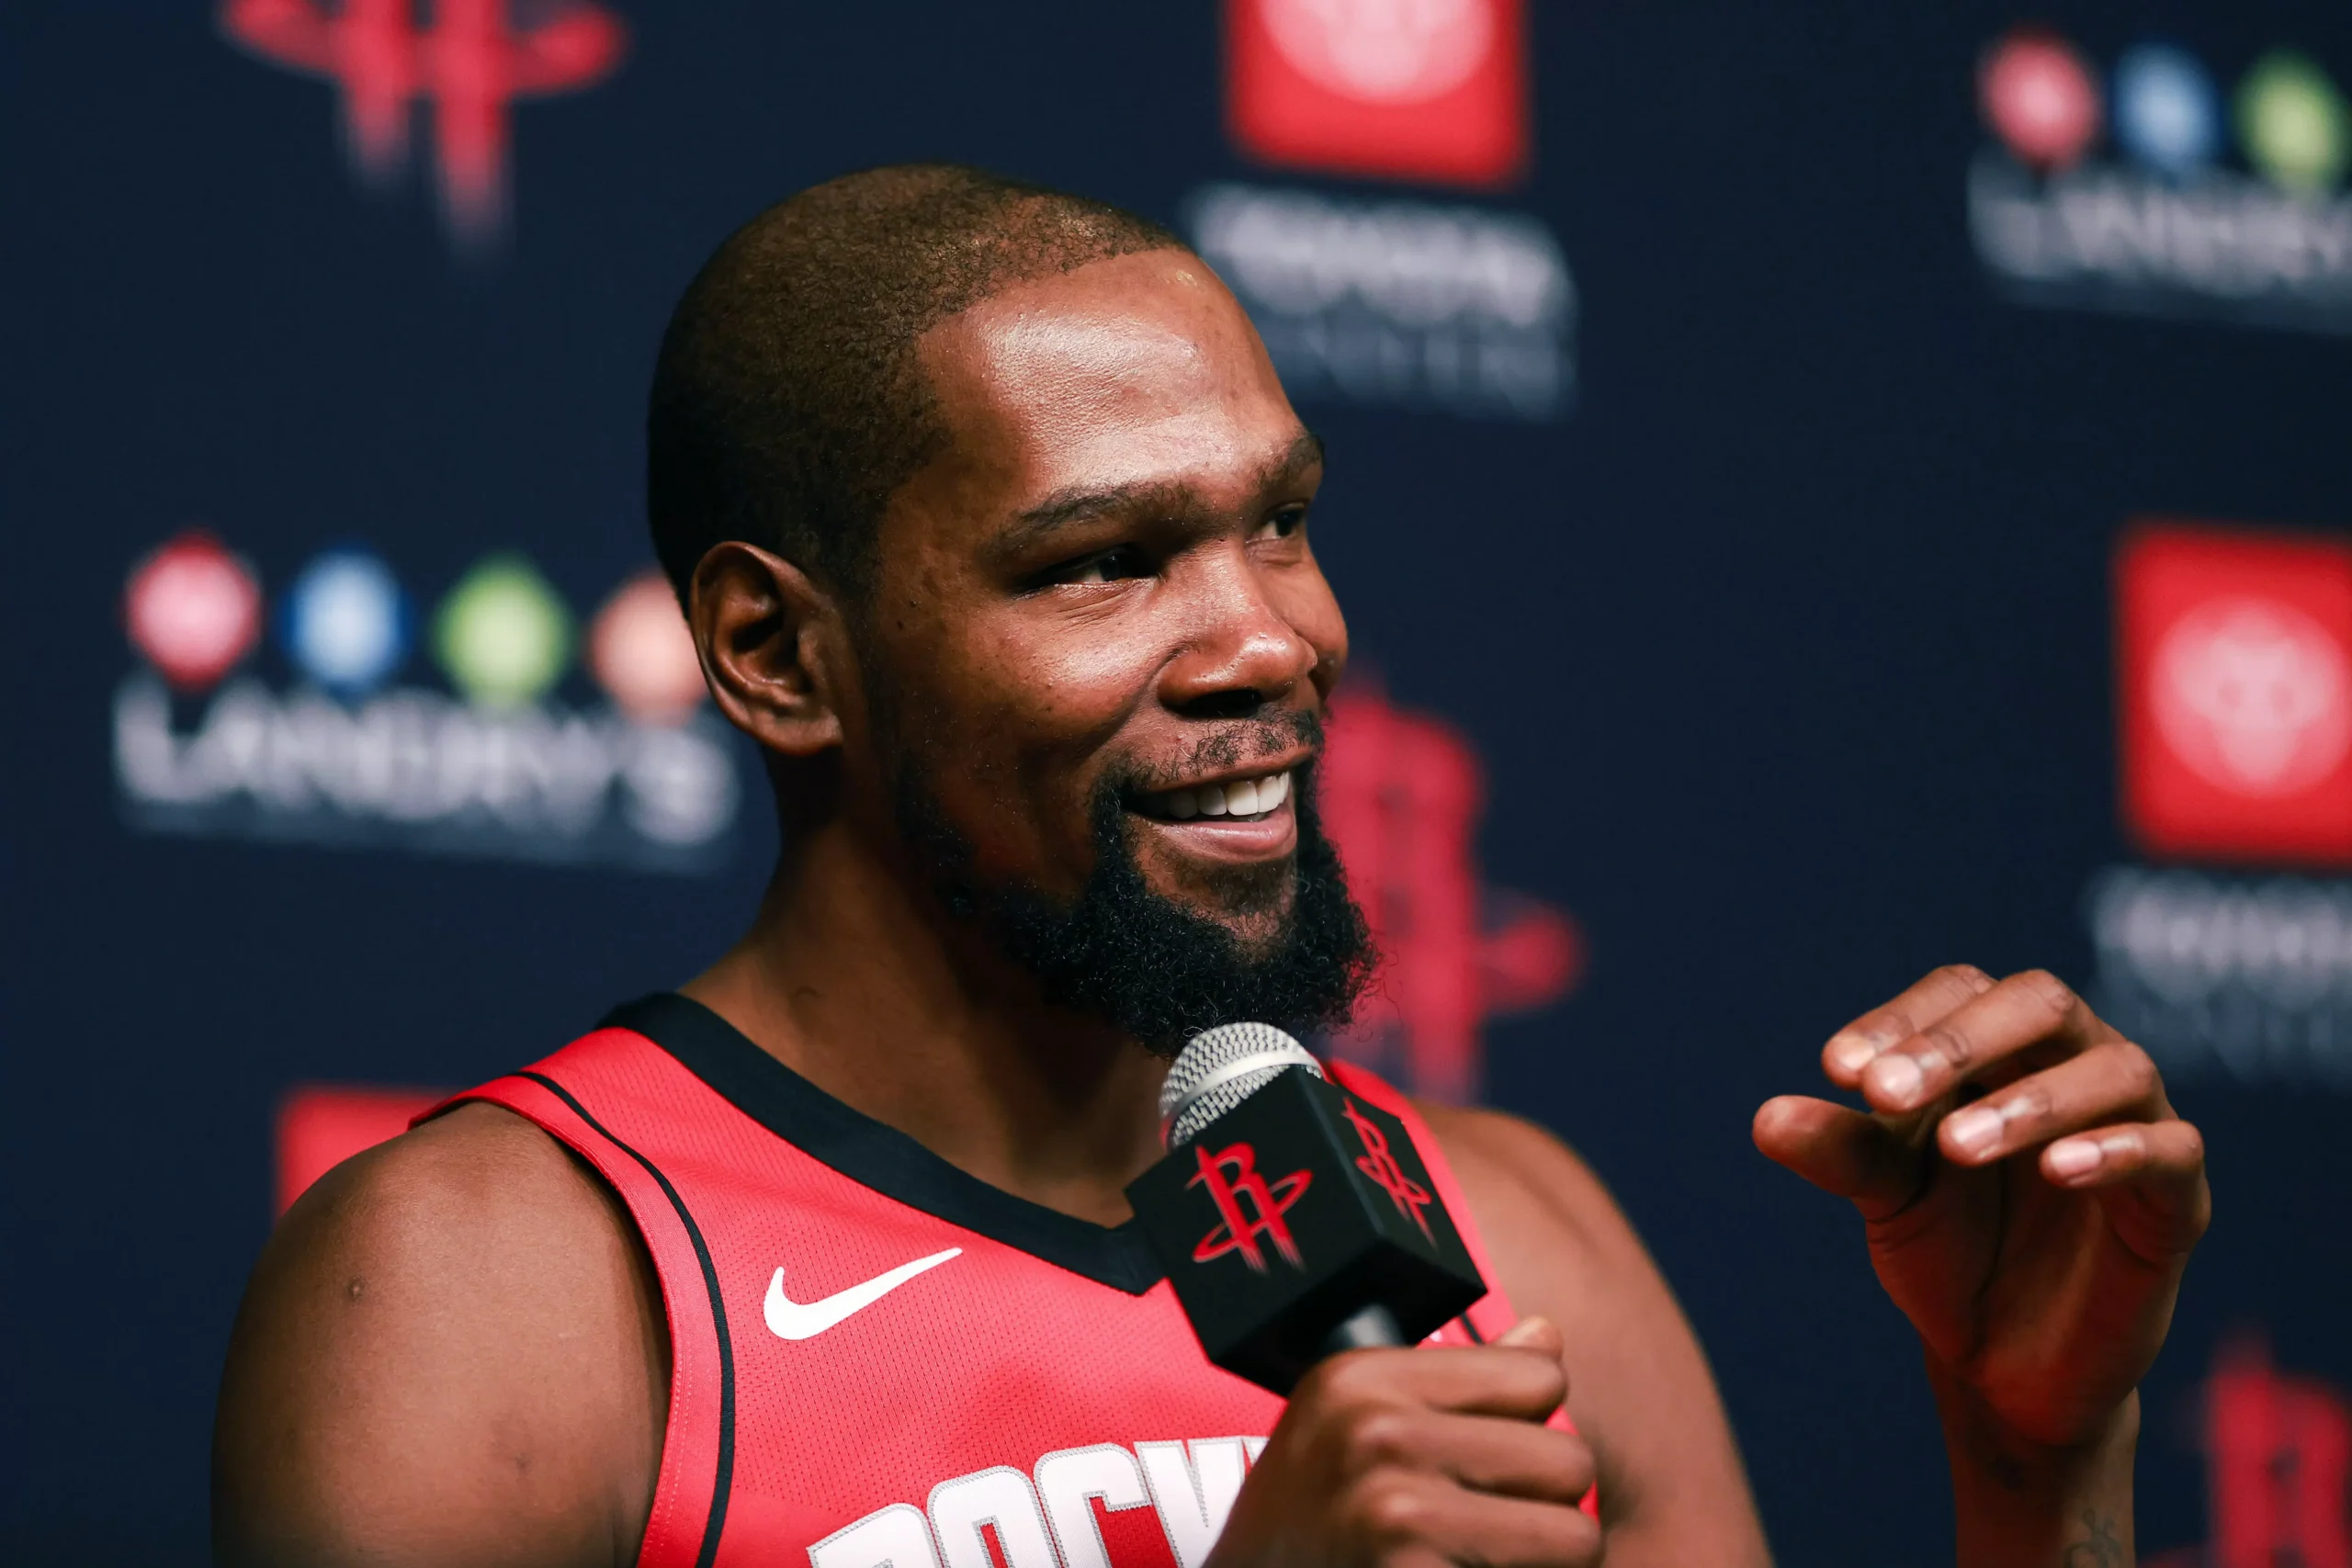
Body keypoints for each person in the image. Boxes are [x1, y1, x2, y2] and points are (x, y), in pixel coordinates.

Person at [212, 164, 2211, 1568]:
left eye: (1279, 523)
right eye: (1104, 561)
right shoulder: (494, 1288)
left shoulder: (1515, 1242)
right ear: (775, 654)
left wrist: (2033, 1466)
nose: (1272, 637)